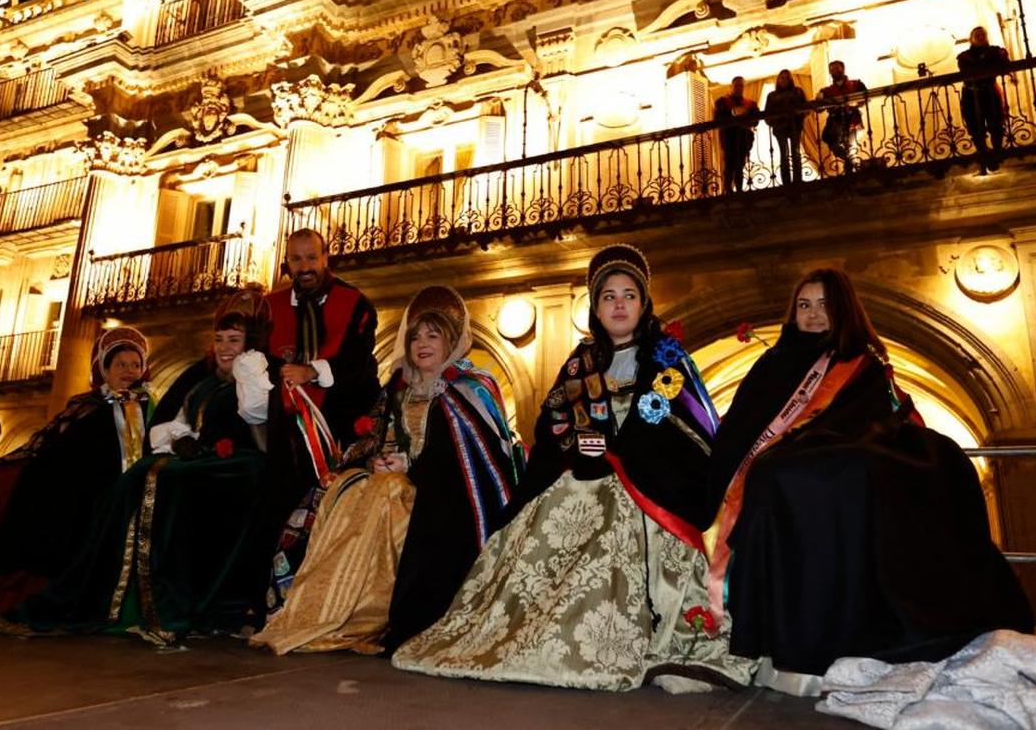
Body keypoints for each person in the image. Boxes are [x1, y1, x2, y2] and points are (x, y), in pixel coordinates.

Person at [393, 245, 756, 693]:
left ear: (644, 304)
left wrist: (622, 450)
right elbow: (550, 425)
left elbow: (689, 431)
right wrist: (577, 449)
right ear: (596, 308)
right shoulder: (579, 361)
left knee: (610, 523)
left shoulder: (667, 357)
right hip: (578, 477)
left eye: (628, 295)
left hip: (649, 489)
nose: (619, 304)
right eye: (608, 296)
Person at [705, 268, 1033, 692]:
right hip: (786, 461)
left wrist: (815, 440)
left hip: (839, 451)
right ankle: (774, 630)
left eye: (824, 305)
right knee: (776, 475)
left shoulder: (861, 362)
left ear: (844, 310)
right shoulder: (773, 361)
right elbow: (743, 424)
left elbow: (873, 418)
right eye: (804, 306)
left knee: (836, 475)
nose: (814, 315)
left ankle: (841, 625)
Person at [0, 289, 278, 645]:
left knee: (161, 478)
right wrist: (181, 441)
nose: (223, 347)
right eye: (219, 339)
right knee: (143, 475)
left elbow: (258, 415)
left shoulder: (257, 371)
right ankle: (108, 595)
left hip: (241, 465)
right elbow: (173, 423)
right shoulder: (201, 380)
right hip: (203, 463)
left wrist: (246, 364)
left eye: (234, 340)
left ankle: (169, 606)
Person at [251, 285, 522, 655]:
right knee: (347, 486)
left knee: (387, 490)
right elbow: (377, 436)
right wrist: (376, 458)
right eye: (415, 337)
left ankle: (365, 613)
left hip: (446, 496)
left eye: (433, 335)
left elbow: (473, 458)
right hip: (395, 483)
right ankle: (319, 610)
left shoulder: (471, 387)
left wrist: (410, 466)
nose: (422, 344)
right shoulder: (397, 388)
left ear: (453, 341)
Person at [0, 327, 152, 628]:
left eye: (135, 365)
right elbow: (49, 444)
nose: (129, 371)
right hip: (68, 483)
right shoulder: (84, 404)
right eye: (121, 365)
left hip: (108, 490)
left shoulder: (147, 406)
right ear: (105, 368)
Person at [262, 228, 381, 614]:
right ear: (288, 262)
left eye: (311, 258)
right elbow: (262, 357)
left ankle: (327, 602)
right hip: (286, 433)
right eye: (296, 259)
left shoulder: (357, 303)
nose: (305, 267)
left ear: (326, 257)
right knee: (278, 510)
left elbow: (359, 364)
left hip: (340, 427)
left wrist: (310, 372)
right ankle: (277, 602)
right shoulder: (270, 306)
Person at [957, 26, 1010, 174]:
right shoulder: (964, 56)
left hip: (990, 91)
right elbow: (967, 71)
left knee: (996, 124)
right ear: (971, 39)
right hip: (971, 94)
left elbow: (1003, 64)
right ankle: (985, 157)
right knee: (975, 127)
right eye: (977, 35)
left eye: (982, 35)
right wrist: (987, 66)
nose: (980, 37)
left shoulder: (995, 51)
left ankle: (996, 156)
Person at [818, 61, 867, 171]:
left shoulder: (856, 84)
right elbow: (819, 108)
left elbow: (865, 98)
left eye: (837, 68)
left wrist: (854, 103)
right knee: (830, 140)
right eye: (832, 69)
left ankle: (852, 169)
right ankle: (849, 163)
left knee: (851, 147)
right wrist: (819, 98)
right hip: (835, 121)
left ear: (843, 69)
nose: (835, 71)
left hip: (852, 120)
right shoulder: (827, 90)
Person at [715, 76, 758, 193]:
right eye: (736, 85)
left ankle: (739, 189)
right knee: (729, 164)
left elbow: (756, 121)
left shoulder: (750, 104)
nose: (739, 88)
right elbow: (718, 120)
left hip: (744, 138)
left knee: (740, 165)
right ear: (731, 87)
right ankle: (728, 190)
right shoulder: (722, 102)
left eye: (741, 85)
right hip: (729, 138)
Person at [763, 69, 807, 185]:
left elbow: (805, 108)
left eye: (787, 77)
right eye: (782, 77)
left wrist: (798, 116)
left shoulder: (798, 91)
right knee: (784, 154)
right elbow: (767, 114)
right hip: (780, 127)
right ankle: (786, 182)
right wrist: (776, 121)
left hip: (795, 125)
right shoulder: (772, 95)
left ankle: (798, 180)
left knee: (796, 152)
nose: (784, 80)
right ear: (778, 80)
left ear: (791, 79)